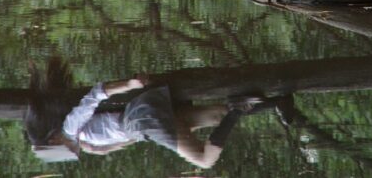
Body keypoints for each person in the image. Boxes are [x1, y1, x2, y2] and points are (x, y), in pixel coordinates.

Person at [25, 57, 286, 167]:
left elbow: (95, 95)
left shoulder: (71, 128)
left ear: (53, 139)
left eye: (64, 148)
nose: (73, 151)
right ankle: (279, 102)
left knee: (204, 159)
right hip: (141, 124)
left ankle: (239, 110)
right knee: (217, 116)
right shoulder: (82, 139)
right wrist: (100, 148)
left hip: (142, 120)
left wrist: (130, 84)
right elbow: (115, 141)